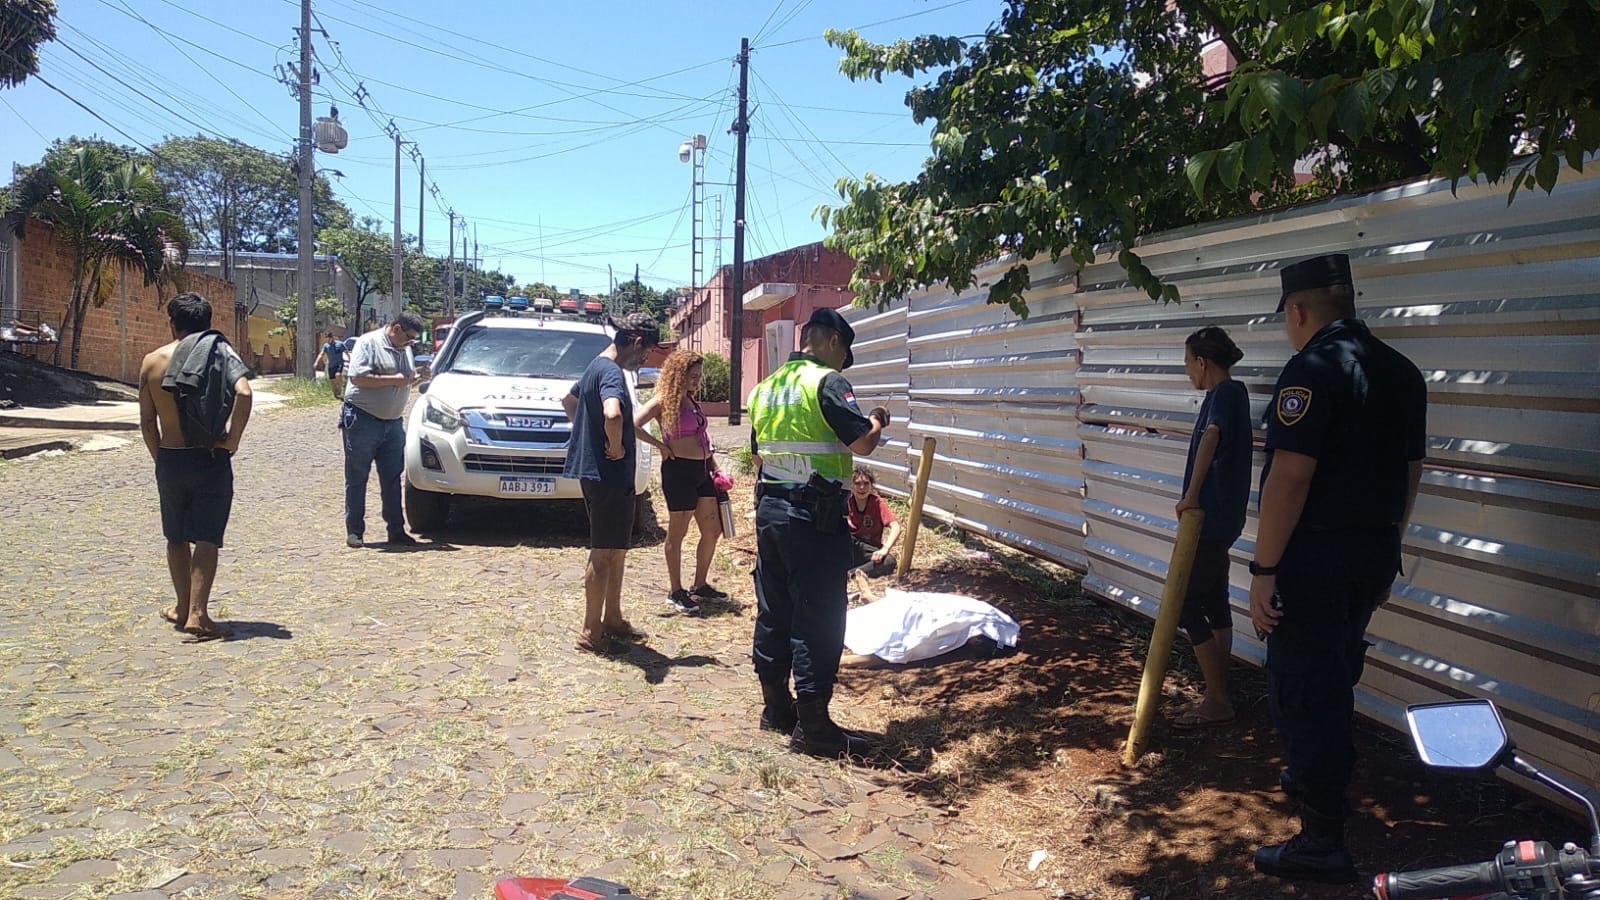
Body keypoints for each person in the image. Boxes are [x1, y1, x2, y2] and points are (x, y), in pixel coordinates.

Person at [1249, 253, 1427, 882]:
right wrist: (1387, 549)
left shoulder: (1310, 369)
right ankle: (1312, 777)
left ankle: (1320, 839)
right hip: (1372, 553)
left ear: (1298, 311)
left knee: (1303, 689)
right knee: (1334, 674)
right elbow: (1411, 474)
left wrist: (1263, 568)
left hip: (1314, 560)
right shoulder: (1403, 373)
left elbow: (1291, 477)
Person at [749, 307, 891, 758]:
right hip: (815, 518)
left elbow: (758, 454)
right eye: (843, 353)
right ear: (831, 340)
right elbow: (862, 443)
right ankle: (814, 727)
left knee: (775, 608)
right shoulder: (827, 383)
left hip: (771, 511)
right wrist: (877, 420)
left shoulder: (766, 388)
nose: (842, 363)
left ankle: (776, 708)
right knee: (819, 617)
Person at [137, 292, 253, 643]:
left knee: (174, 536)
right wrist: (231, 442)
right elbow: (245, 393)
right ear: (207, 322)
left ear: (173, 322)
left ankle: (182, 606)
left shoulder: (152, 362)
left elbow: (146, 421)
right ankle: (199, 615)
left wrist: (161, 458)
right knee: (206, 536)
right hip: (209, 458)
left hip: (171, 457)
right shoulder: (220, 354)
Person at [562, 312, 667, 655]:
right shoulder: (610, 372)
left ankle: (614, 619)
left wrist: (585, 434)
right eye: (647, 352)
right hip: (608, 476)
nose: (645, 359)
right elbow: (613, 414)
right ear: (636, 342)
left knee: (617, 549)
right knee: (604, 552)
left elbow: (570, 401)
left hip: (602, 475)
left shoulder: (596, 365)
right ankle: (591, 631)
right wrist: (615, 444)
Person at [1171, 326, 1251, 730]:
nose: (1188, 372)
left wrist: (1191, 495)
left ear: (1202, 362)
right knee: (1215, 598)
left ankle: (1218, 698)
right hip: (1224, 517)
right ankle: (1219, 690)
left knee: (1186, 603)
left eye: (1188, 363)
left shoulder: (1224, 394)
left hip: (1213, 517)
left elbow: (1212, 437)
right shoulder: (1234, 394)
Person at [634, 348, 728, 616]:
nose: (697, 381)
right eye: (692, 376)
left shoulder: (691, 401)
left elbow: (703, 435)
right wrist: (660, 446)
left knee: (712, 530)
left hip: (703, 470)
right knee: (678, 532)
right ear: (679, 374)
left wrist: (714, 465)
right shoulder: (664, 400)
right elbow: (633, 423)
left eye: (699, 376)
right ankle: (675, 591)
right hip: (679, 472)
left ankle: (699, 584)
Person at [342, 311, 429, 548]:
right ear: (396, 328)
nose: (410, 343)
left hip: (393, 423)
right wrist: (395, 380)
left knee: (392, 478)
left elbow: (403, 381)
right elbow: (357, 377)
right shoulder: (368, 342)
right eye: (409, 337)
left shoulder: (405, 348)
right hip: (363, 419)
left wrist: (417, 378)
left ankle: (396, 530)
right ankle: (355, 531)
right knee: (357, 476)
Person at [847, 467, 901, 578]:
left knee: (889, 561)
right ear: (851, 486)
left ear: (871, 485)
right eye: (857, 483)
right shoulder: (847, 502)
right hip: (850, 545)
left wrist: (885, 549)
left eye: (866, 483)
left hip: (870, 548)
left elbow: (896, 527)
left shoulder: (877, 503)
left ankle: (851, 574)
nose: (862, 487)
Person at [314, 332, 348, 399]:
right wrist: (316, 362)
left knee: (338, 375)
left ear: (332, 337)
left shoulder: (340, 344)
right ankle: (336, 395)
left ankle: (340, 388)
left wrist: (350, 360)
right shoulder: (326, 346)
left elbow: (346, 352)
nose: (327, 340)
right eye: (326, 338)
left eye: (329, 338)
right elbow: (321, 354)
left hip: (339, 363)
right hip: (331, 365)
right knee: (333, 382)